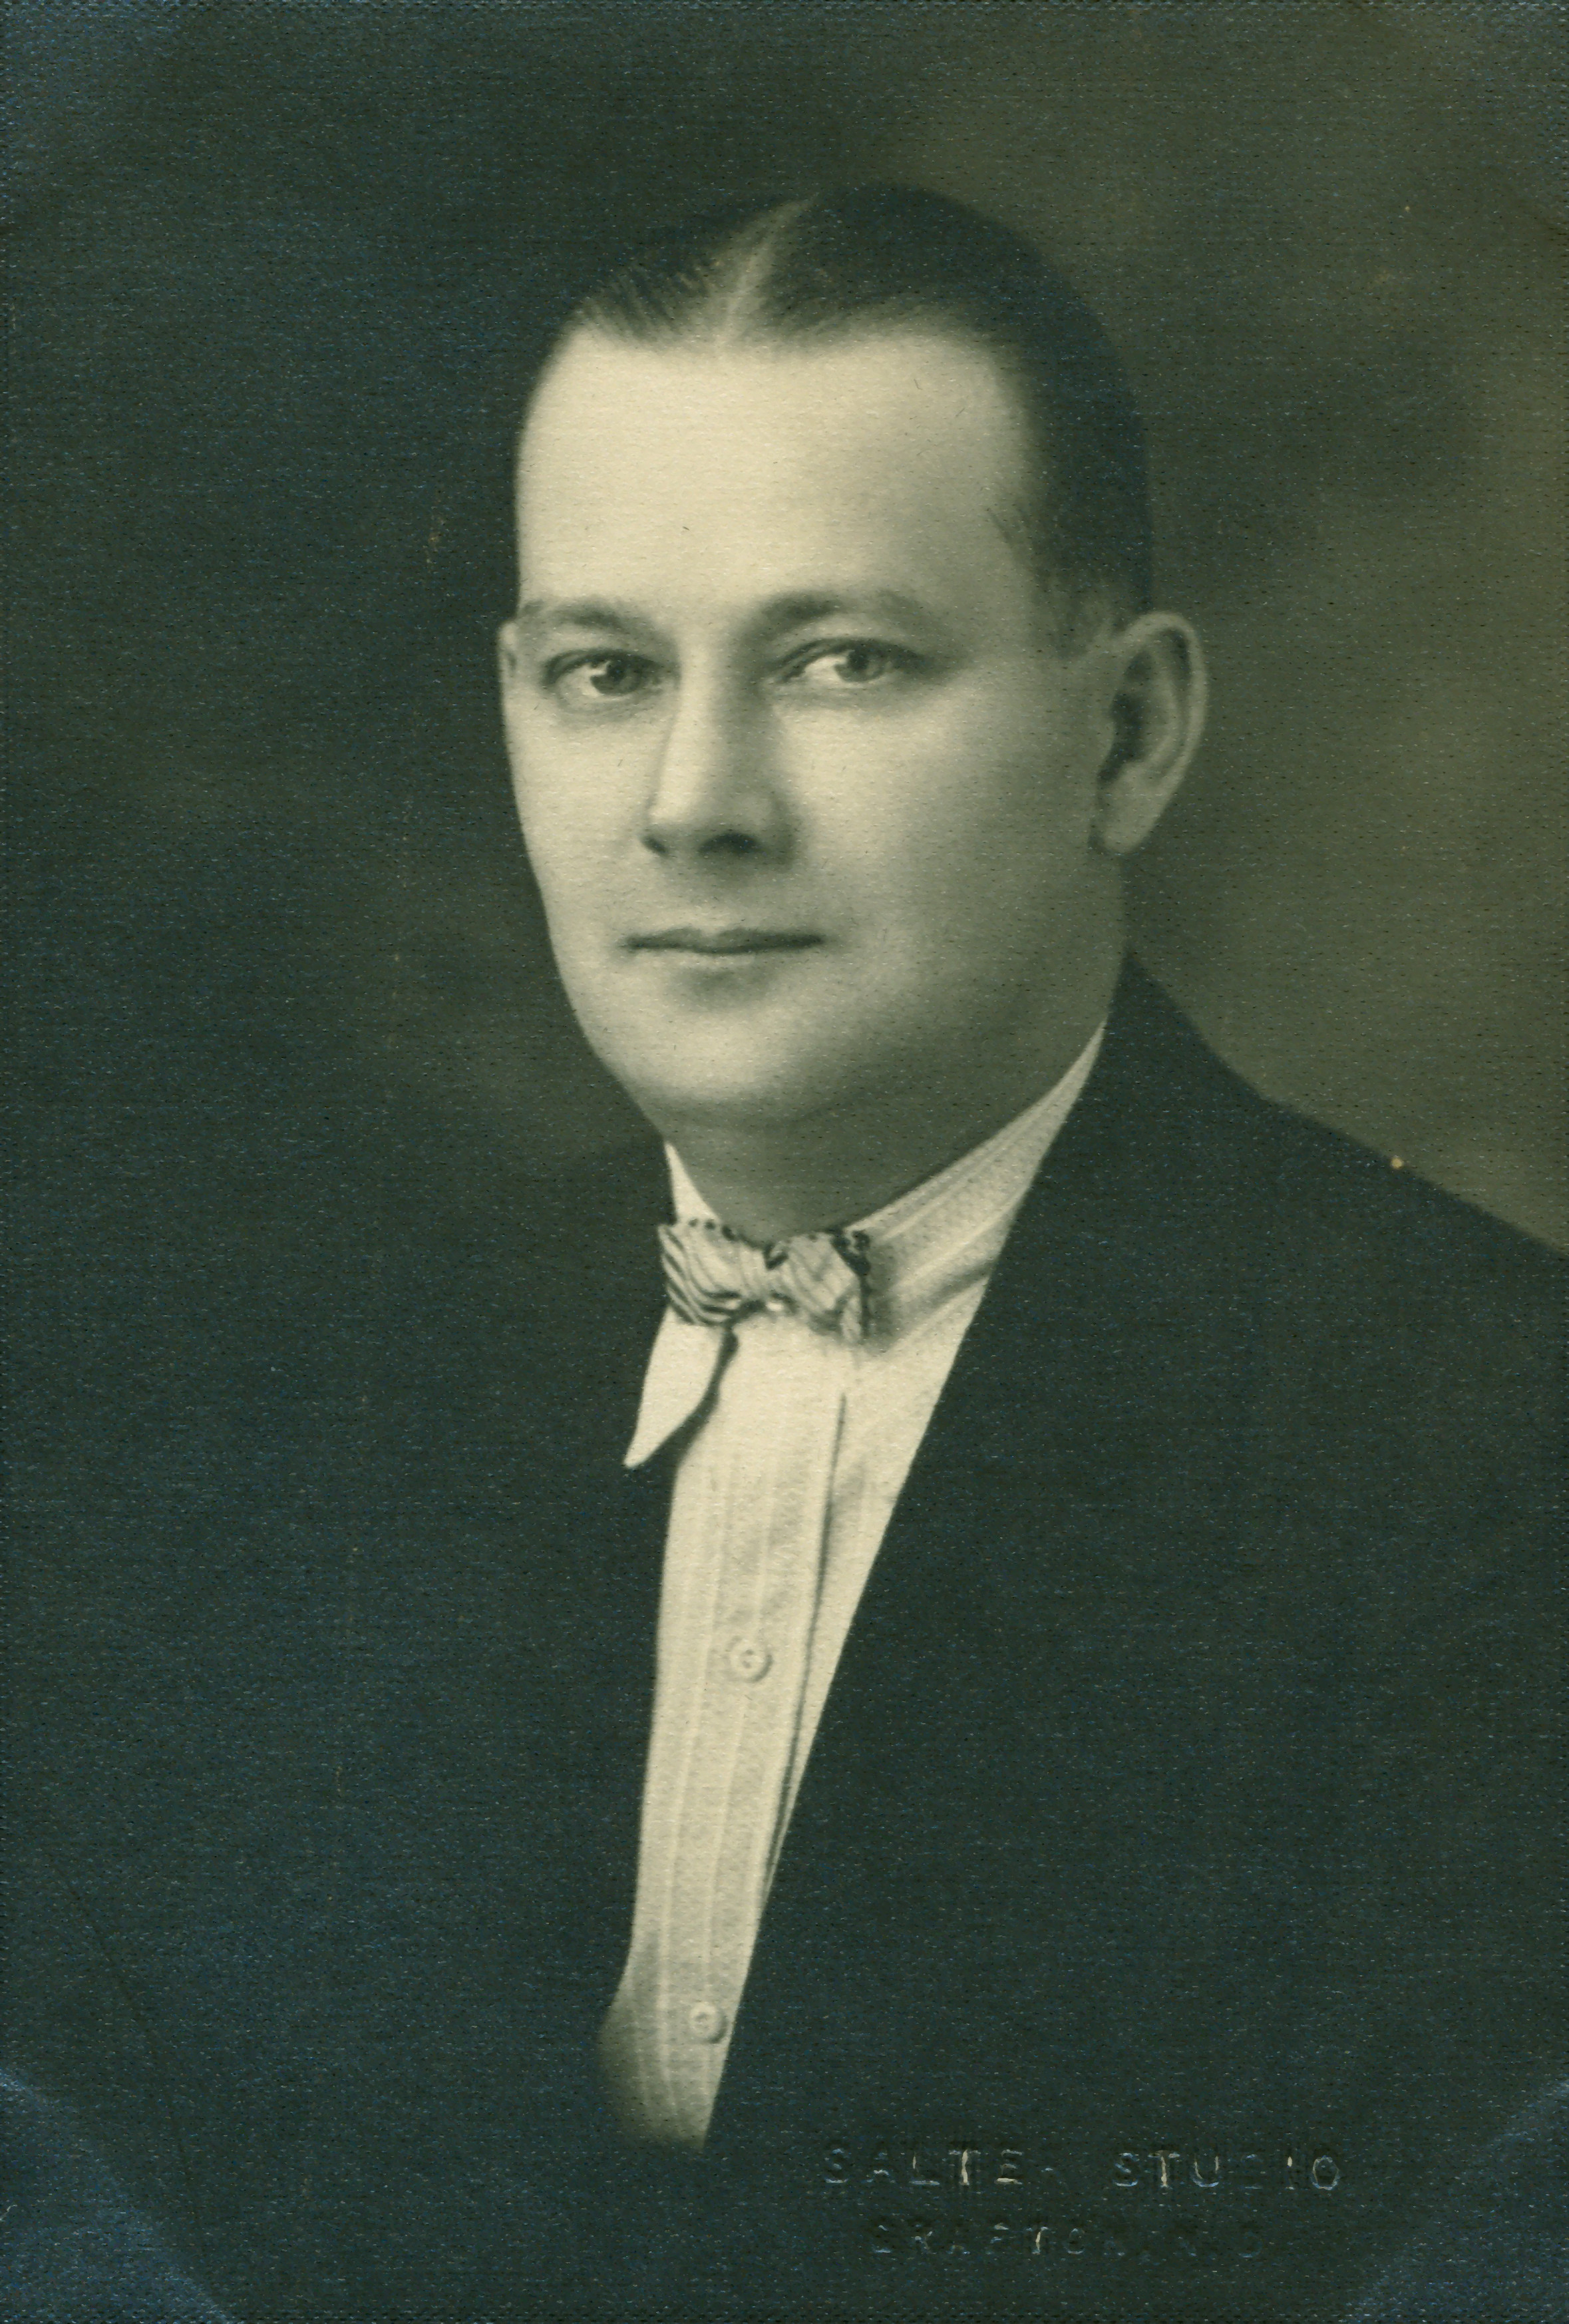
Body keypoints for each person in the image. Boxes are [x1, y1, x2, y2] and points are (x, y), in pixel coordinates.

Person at [6, 185, 1561, 2322]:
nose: (696, 802)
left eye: (844, 661)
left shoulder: (1492, 1445)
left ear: (1128, 734)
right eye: (606, 671)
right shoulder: (298, 1406)